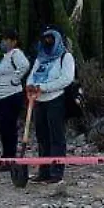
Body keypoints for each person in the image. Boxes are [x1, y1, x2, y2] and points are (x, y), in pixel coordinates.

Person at [25, 26, 76, 184]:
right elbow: (32, 75)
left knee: (56, 137)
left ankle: (56, 173)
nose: (47, 40)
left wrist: (43, 87)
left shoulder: (65, 57)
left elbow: (66, 79)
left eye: (51, 37)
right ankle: (44, 171)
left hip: (55, 100)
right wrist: (30, 86)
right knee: (42, 137)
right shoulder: (40, 58)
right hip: (38, 101)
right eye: (45, 37)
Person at [0, 30, 31, 172]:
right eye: (3, 39)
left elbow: (24, 65)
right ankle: (6, 157)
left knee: (8, 128)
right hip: (1, 98)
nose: (3, 42)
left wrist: (14, 80)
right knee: (4, 128)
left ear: (14, 41)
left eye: (6, 39)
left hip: (10, 96)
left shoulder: (16, 54)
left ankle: (9, 159)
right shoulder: (5, 57)